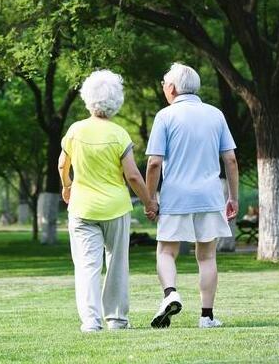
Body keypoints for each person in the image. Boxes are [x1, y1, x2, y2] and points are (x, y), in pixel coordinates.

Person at [145, 63, 239, 329]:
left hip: (176, 197)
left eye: (164, 83)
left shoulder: (165, 116)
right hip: (209, 196)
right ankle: (207, 316)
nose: (164, 87)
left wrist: (150, 199)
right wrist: (233, 197)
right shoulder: (215, 114)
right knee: (207, 256)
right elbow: (230, 159)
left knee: (166, 251)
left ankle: (170, 293)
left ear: (172, 88)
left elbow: (154, 163)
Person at [58, 69, 152, 332]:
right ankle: (117, 320)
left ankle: (90, 321)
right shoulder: (119, 134)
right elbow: (133, 175)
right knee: (117, 263)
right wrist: (148, 203)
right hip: (115, 207)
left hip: (81, 208)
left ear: (87, 98)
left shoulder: (75, 131)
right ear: (116, 101)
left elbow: (62, 164)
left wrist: (67, 186)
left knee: (87, 265)